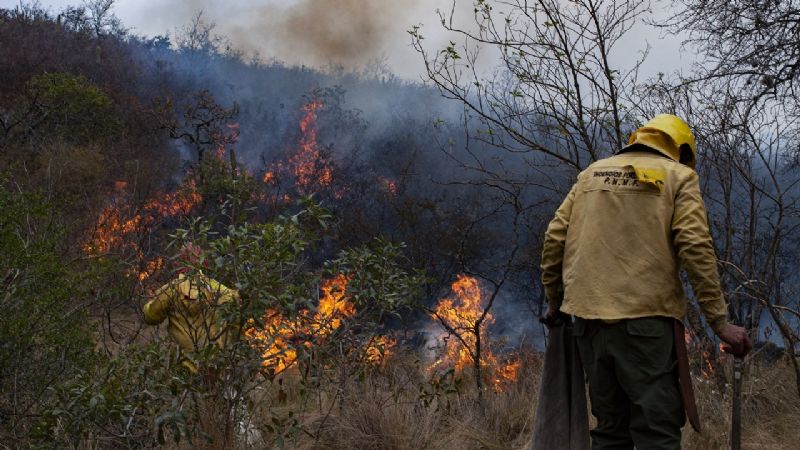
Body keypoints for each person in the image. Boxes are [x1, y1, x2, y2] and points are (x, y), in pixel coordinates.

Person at [540, 114, 752, 449]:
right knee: (656, 433)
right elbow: (695, 246)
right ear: (680, 150)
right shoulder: (678, 177)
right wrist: (719, 322)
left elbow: (554, 238)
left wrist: (554, 301)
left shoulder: (591, 174)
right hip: (646, 327)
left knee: (610, 431)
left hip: (589, 324)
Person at [143, 243, 239, 375]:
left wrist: (149, 304)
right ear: (204, 264)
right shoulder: (222, 291)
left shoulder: (172, 289)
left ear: (178, 266)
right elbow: (237, 322)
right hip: (216, 370)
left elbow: (151, 317)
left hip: (183, 375)